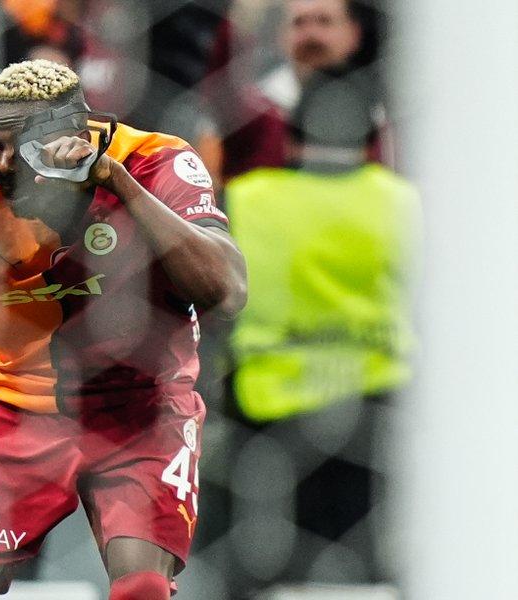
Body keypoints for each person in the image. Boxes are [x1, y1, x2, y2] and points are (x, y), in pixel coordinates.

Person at [0, 59, 247, 599]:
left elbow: (225, 292)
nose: (6, 165)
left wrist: (117, 184)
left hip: (140, 408)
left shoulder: (153, 161)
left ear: (76, 138)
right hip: (12, 413)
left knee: (142, 589)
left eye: (25, 146)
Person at [219, 68, 420, 596]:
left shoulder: (246, 199)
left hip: (269, 410)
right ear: (373, 139)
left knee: (270, 565)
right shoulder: (404, 204)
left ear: (289, 134)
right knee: (365, 565)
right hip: (377, 408)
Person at [210, 0, 388, 181]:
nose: (311, 34)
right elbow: (220, 85)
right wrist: (244, 14)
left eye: (324, 21)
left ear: (353, 33)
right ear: (281, 35)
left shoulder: (380, 114)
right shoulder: (256, 113)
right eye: (299, 22)